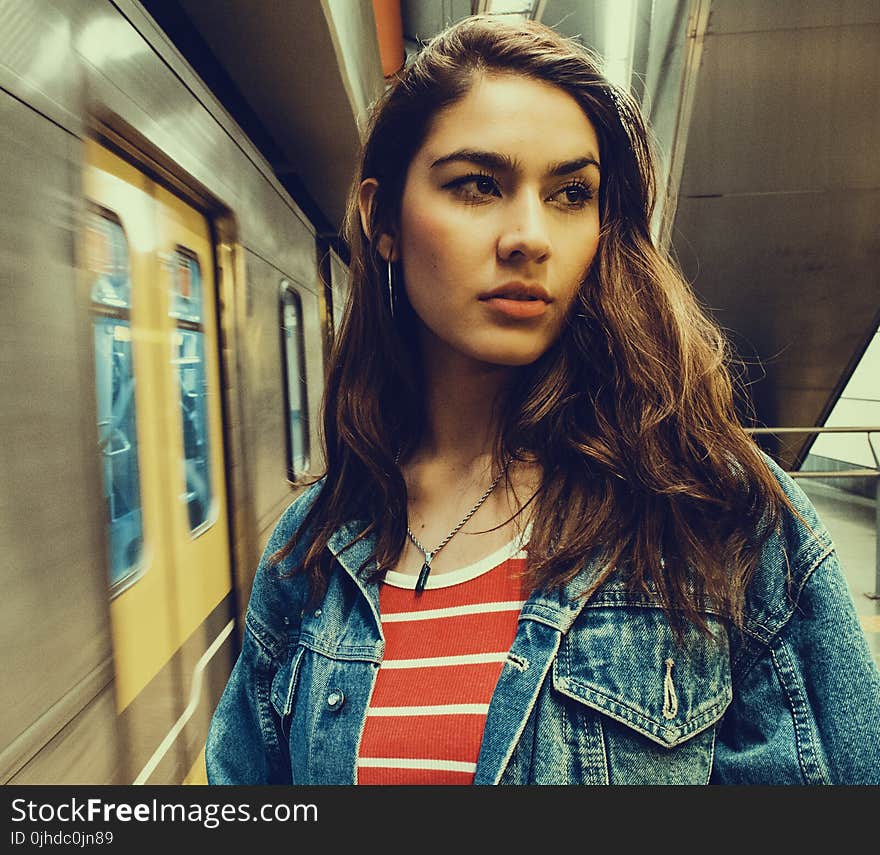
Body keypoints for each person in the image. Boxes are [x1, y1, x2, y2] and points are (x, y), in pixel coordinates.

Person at [206, 15, 880, 785]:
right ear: (383, 217)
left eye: (570, 193)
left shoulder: (719, 519)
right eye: (477, 185)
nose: (530, 235)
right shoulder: (313, 552)